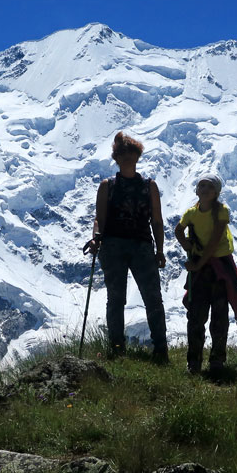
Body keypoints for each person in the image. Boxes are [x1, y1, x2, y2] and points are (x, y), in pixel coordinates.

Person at [86, 132, 168, 362]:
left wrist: (160, 251)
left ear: (136, 156)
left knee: (145, 297)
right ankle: (132, 348)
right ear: (117, 158)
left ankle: (148, 348)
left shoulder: (133, 186)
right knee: (124, 297)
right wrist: (96, 239)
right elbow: (98, 220)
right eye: (123, 154)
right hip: (121, 245)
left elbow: (157, 221)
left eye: (130, 153)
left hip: (133, 245)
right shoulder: (133, 186)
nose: (127, 158)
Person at [175, 174, 237, 374]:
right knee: (197, 315)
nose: (204, 189)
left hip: (216, 265)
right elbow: (178, 230)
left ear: (216, 193)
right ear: (197, 191)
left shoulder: (221, 211)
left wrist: (197, 265)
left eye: (209, 186)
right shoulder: (191, 213)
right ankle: (196, 362)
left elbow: (214, 242)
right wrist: (185, 244)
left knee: (219, 316)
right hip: (208, 267)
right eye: (201, 186)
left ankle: (215, 362)